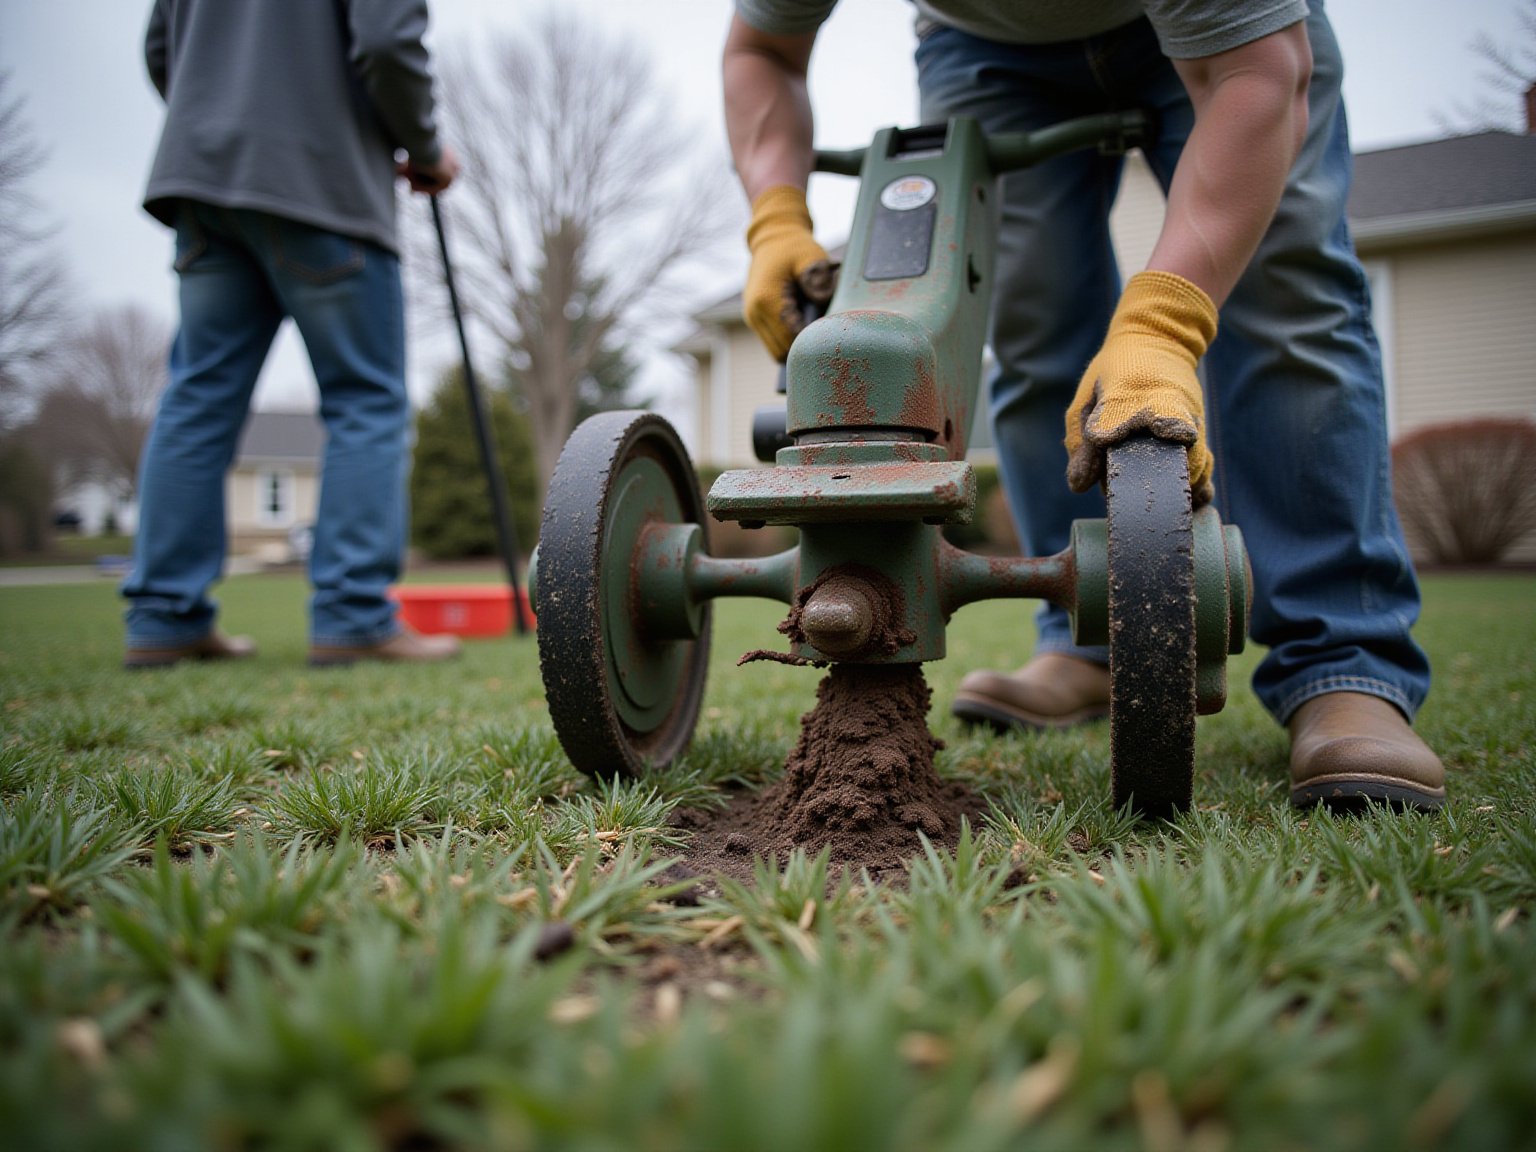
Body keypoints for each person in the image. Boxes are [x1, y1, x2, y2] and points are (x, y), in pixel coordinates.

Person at [723, 0, 1446, 810]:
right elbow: (764, 51)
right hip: (987, 51)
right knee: (1034, 324)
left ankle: (1341, 664)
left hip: (1234, 41)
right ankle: (1083, 632)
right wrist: (773, 219)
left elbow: (1256, 71)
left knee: (1288, 296)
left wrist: (1164, 325)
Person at [122, 0, 462, 668]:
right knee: (365, 400)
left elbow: (162, 47)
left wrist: (218, 119)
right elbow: (388, 41)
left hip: (203, 178)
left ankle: (164, 616)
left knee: (198, 397)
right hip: (322, 177)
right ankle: (353, 614)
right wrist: (424, 148)